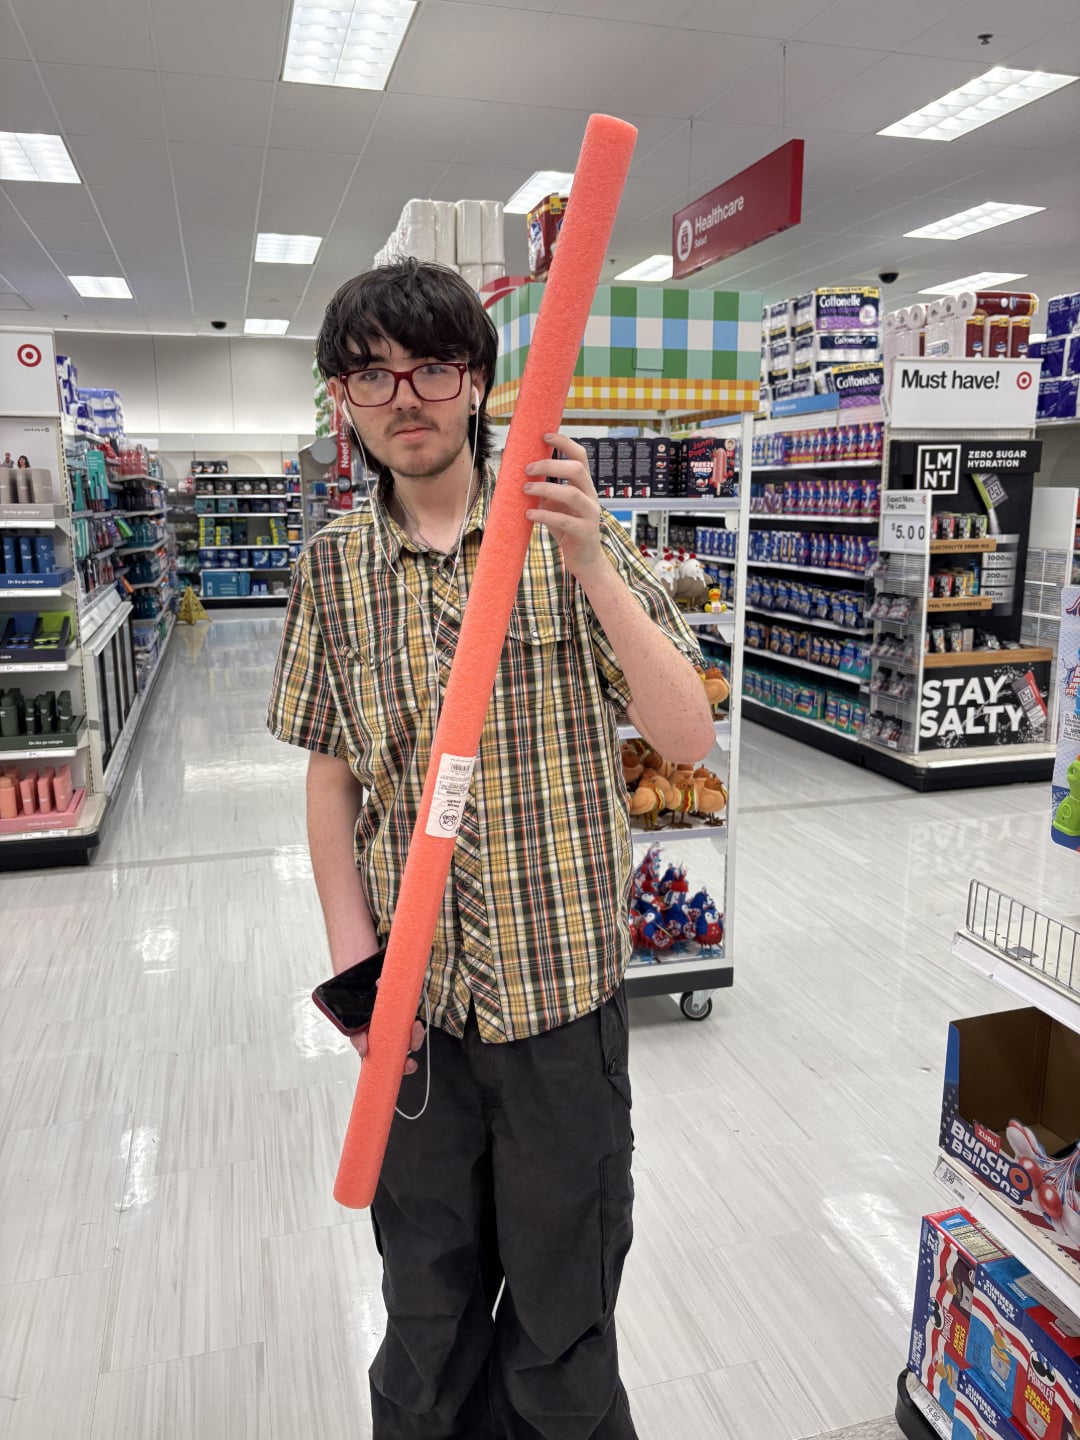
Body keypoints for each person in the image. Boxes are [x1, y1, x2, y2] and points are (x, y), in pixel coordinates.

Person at [267, 259, 716, 1439]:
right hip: (414, 1021)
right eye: (372, 373)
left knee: (564, 1326)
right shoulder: (330, 572)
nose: (404, 395)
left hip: (560, 1004)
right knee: (427, 1315)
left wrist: (589, 561)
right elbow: (329, 786)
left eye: (433, 367)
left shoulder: (567, 531)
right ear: (342, 399)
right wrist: (363, 976)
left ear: (478, 383)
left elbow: (688, 732)